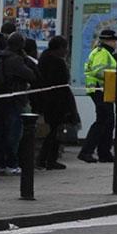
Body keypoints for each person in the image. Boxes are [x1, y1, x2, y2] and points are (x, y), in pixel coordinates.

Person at [0, 31, 36, 177]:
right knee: (14, 134)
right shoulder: (15, 60)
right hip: (13, 100)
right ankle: (11, 163)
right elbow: (31, 75)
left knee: (0, 132)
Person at [33, 36, 78, 170]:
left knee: (52, 131)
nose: (66, 51)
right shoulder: (56, 63)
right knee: (54, 131)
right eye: (65, 48)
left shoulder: (44, 59)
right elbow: (62, 84)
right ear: (59, 48)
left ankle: (44, 159)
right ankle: (49, 159)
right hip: (55, 102)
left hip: (47, 100)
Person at [78, 28, 117, 164]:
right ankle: (87, 151)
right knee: (103, 120)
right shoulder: (103, 53)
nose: (116, 43)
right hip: (99, 89)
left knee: (108, 121)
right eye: (114, 40)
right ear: (109, 41)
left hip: (104, 89)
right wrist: (116, 72)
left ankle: (104, 153)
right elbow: (99, 71)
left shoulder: (103, 52)